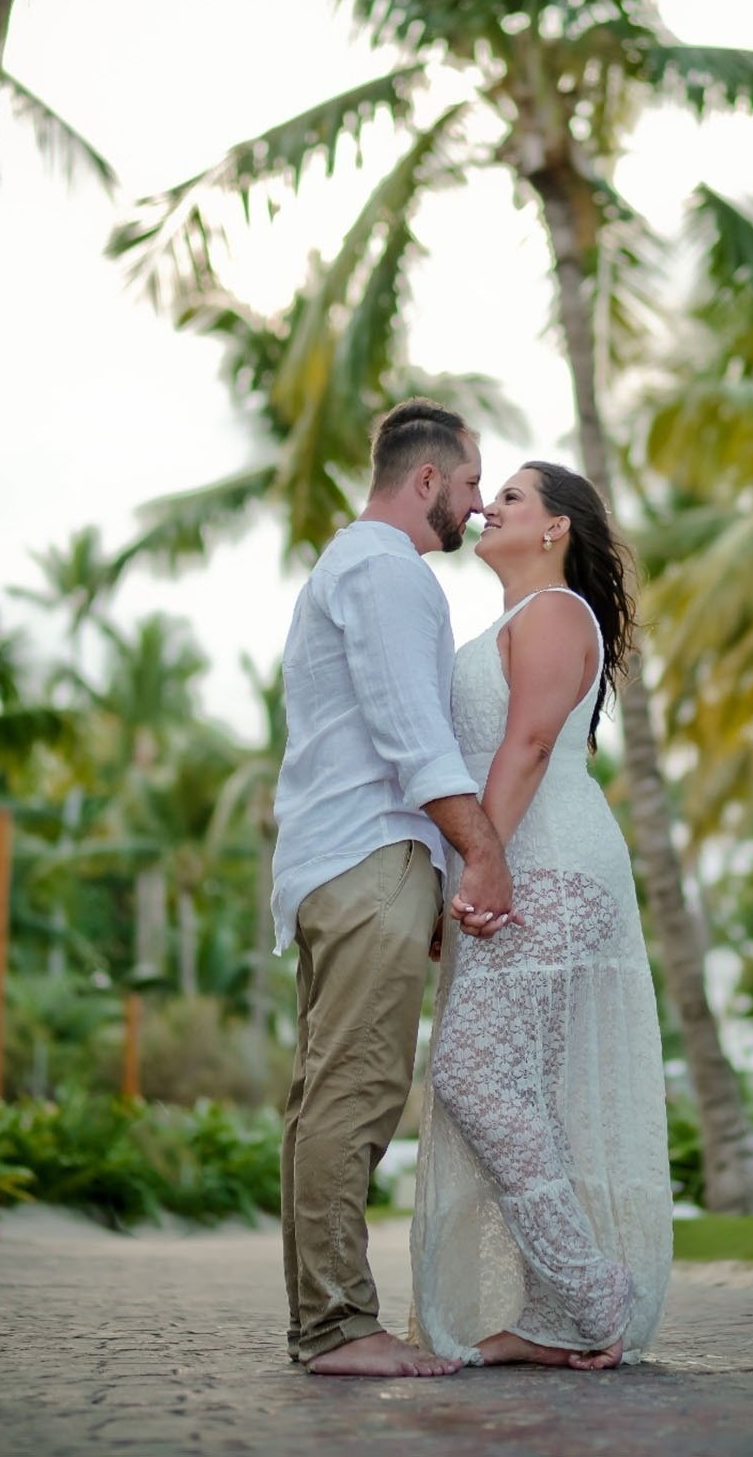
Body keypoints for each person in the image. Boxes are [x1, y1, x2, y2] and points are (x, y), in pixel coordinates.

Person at [271, 399, 518, 1379]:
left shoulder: (353, 565)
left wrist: (427, 873)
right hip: (366, 857)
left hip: (353, 861)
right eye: (468, 485)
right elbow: (413, 732)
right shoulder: (387, 570)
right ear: (426, 481)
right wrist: (480, 857)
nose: (474, 505)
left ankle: (321, 1322)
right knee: (357, 1093)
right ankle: (337, 1326)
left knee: (325, 1096)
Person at [411, 461, 674, 1369]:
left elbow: (525, 744)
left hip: (552, 865)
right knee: (521, 1092)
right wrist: (468, 870)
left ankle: (594, 1291)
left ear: (556, 528)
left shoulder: (558, 613)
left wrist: (483, 865)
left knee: (474, 1076)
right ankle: (551, 1317)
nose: (488, 505)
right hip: (511, 867)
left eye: (512, 496)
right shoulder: (512, 620)